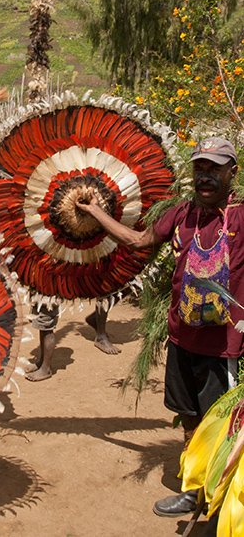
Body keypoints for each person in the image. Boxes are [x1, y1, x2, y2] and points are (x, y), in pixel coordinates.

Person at [76, 136, 243, 518]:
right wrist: (95, 213)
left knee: (224, 425)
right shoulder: (182, 214)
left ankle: (219, 506)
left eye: (214, 169)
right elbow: (138, 240)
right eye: (200, 168)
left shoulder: (240, 216)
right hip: (183, 339)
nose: (205, 176)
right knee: (188, 418)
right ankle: (192, 489)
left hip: (225, 348)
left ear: (231, 172)